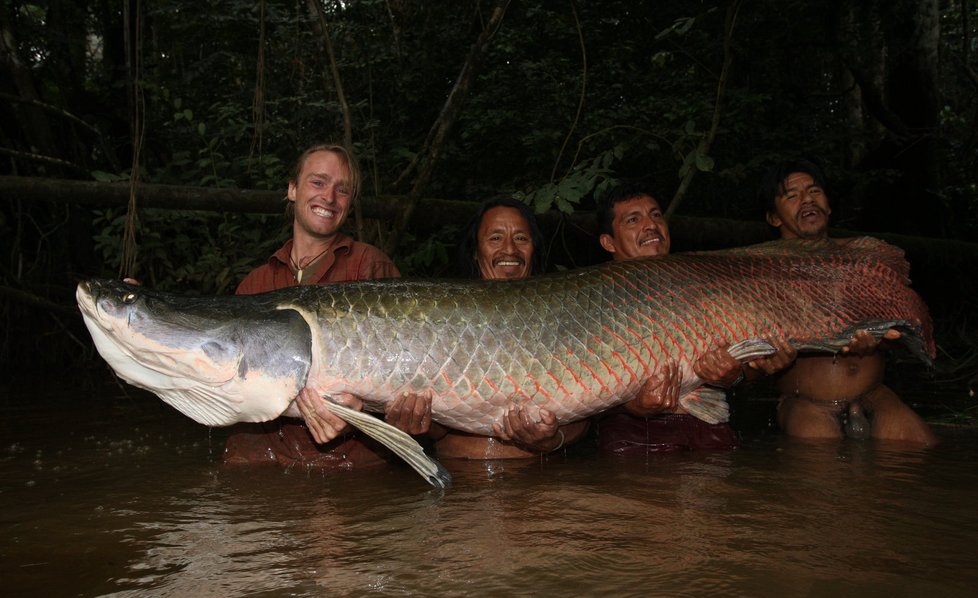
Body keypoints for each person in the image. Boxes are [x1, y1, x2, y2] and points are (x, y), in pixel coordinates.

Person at [300, 196, 591, 460]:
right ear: (476, 253)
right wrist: (415, 424)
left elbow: (589, 408)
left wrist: (553, 439)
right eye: (496, 238)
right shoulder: (437, 322)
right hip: (459, 490)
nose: (509, 249)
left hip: (541, 489)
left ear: (534, 249)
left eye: (521, 238)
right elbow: (440, 426)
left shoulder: (565, 317)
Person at [223, 143, 404, 468]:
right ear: (292, 189)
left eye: (343, 190)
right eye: (318, 183)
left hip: (351, 471)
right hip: (260, 467)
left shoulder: (369, 268)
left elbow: (404, 370)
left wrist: (358, 408)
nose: (329, 198)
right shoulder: (256, 284)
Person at [593, 182, 796, 454]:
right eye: (633, 219)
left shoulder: (703, 286)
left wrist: (735, 375)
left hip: (703, 422)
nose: (650, 225)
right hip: (630, 430)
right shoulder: (594, 300)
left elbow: (747, 375)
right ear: (608, 242)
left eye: (655, 215)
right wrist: (632, 405)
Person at [760, 159, 936, 445]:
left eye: (814, 191)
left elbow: (901, 334)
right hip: (806, 401)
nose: (807, 199)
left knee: (921, 451)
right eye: (792, 195)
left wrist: (880, 341)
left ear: (828, 205)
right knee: (824, 471)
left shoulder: (866, 257)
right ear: (774, 218)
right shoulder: (759, 271)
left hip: (874, 393)